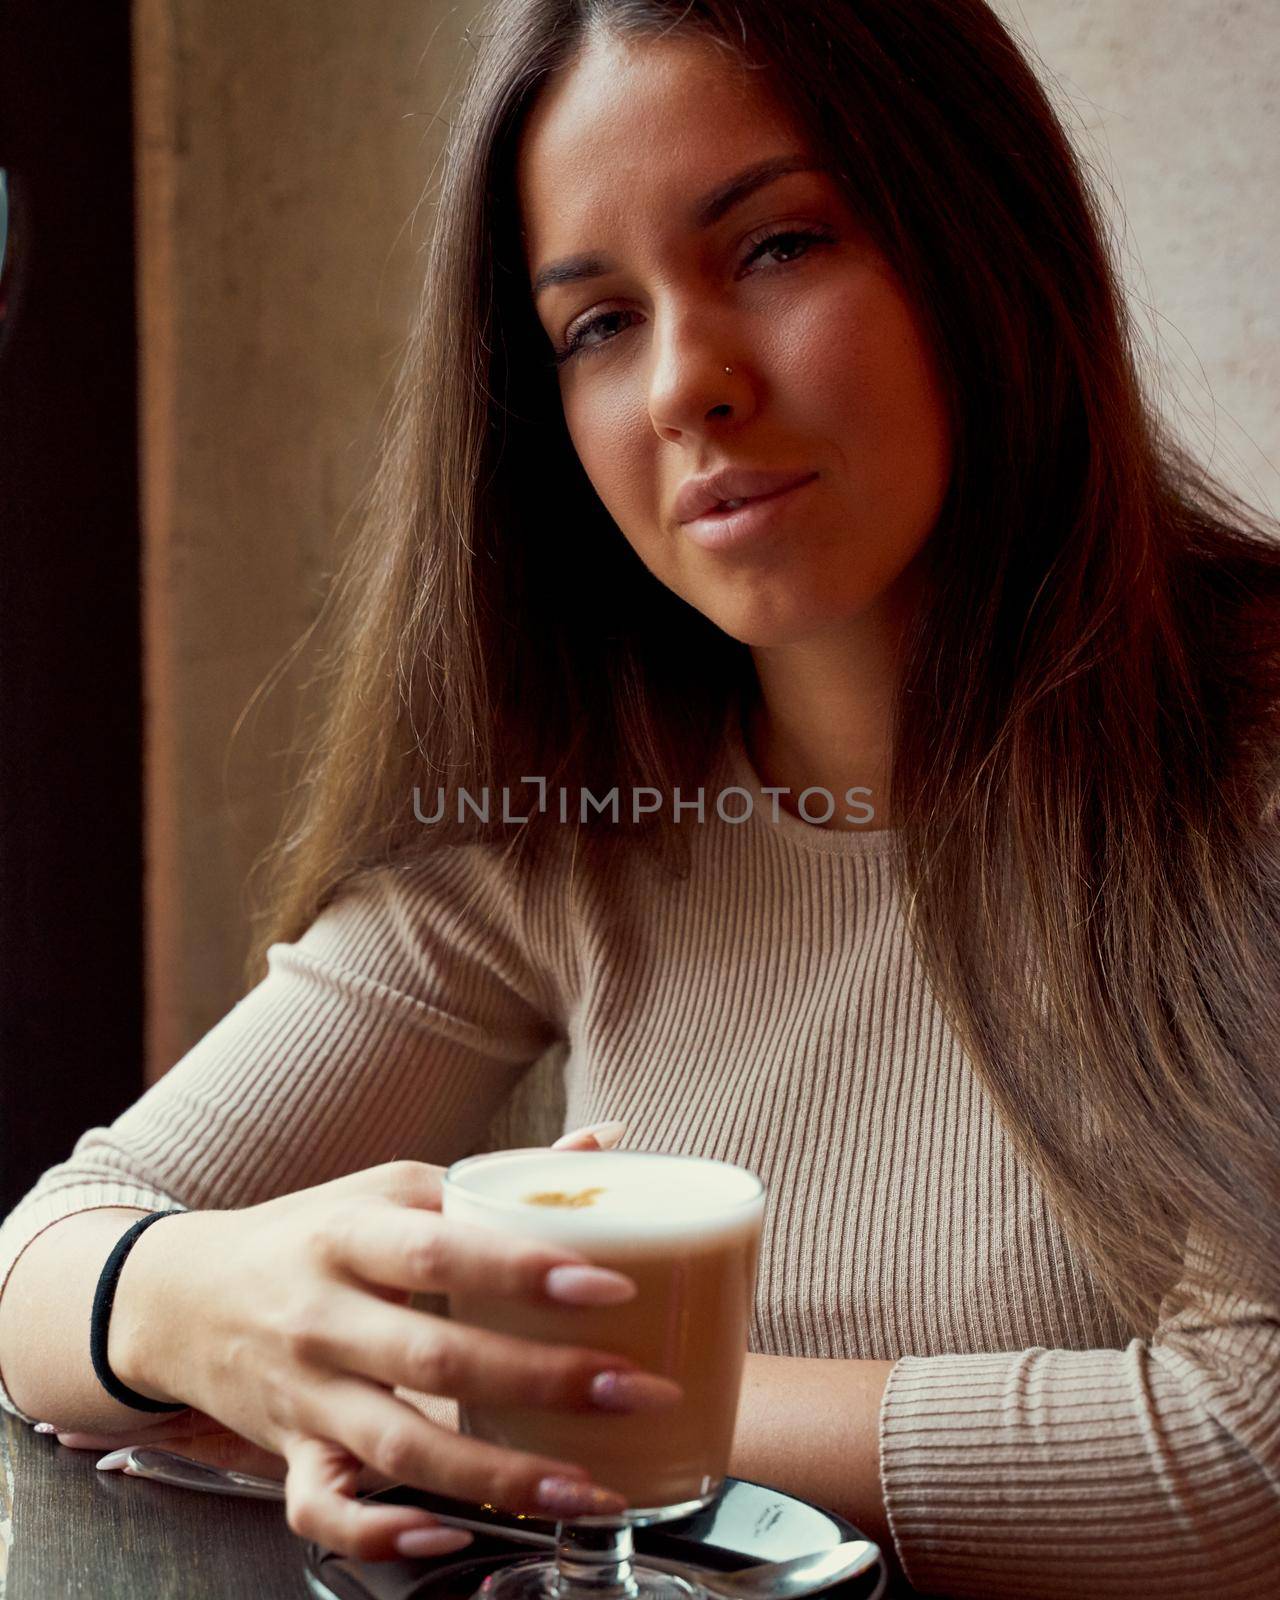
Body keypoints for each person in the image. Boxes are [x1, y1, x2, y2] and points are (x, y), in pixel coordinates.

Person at [2, 1, 1278, 1594]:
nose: (687, 384)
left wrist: (507, 1403)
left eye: (777, 246)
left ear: (981, 234)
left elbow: (1243, 1462)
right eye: (597, 325)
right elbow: (52, 1260)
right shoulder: (570, 818)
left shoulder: (1251, 760)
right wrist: (235, 1313)